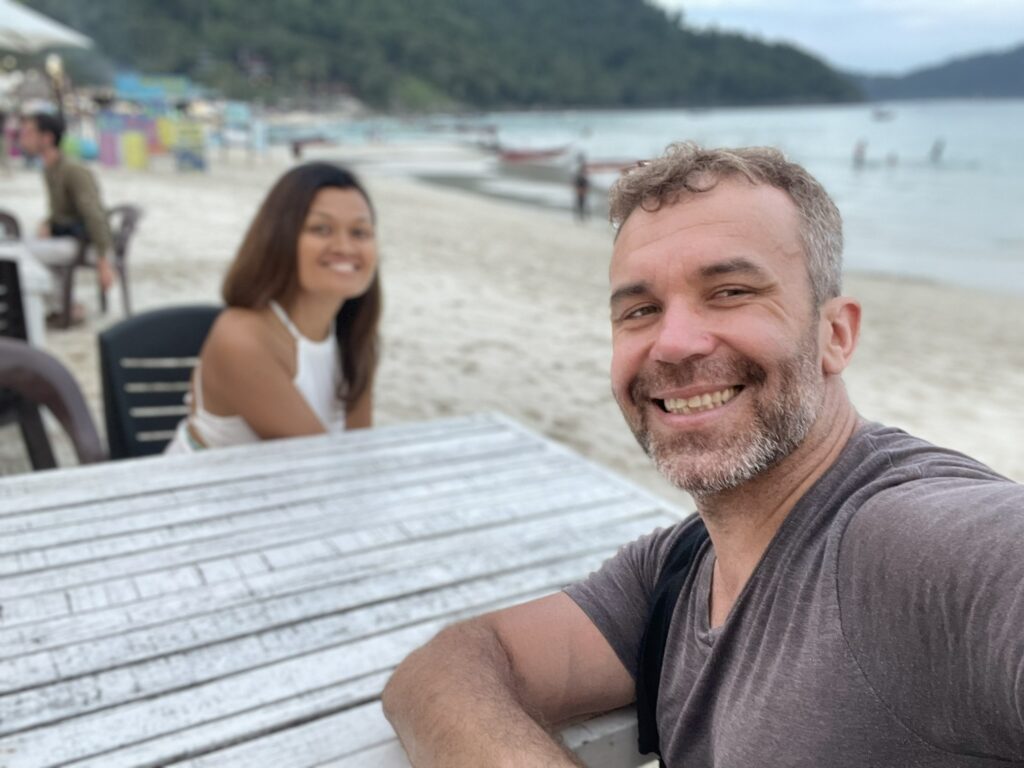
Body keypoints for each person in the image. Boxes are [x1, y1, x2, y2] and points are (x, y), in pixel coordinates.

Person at [381, 143, 1024, 766]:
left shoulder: (918, 546)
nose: (675, 343)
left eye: (731, 291)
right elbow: (445, 668)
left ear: (835, 334)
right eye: (640, 309)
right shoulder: (679, 567)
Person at [164, 162, 381, 453]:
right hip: (200, 493)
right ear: (281, 237)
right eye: (321, 229)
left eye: (360, 232)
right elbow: (321, 460)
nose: (344, 246)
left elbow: (358, 448)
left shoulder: (353, 334)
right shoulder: (242, 338)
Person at [18, 111, 115, 309]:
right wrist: (48, 223)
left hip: (85, 243)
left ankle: (64, 307)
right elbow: (61, 210)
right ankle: (61, 304)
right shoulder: (50, 168)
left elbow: (94, 214)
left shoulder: (72, 170)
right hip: (68, 235)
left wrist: (103, 261)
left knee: (23, 252)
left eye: (29, 132)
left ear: (47, 138)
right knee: (18, 244)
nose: (22, 137)